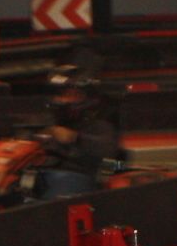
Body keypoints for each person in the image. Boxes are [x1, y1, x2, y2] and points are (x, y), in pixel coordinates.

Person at [33, 64, 121, 199]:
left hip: (76, 181)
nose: (66, 100)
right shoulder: (43, 122)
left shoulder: (99, 126)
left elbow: (108, 150)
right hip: (37, 177)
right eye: (62, 95)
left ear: (87, 98)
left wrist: (74, 137)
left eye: (73, 95)